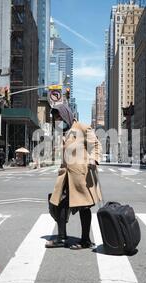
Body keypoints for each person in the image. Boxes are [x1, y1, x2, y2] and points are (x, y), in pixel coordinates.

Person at [46, 102, 102, 250]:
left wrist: (93, 159)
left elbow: (96, 145)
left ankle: (85, 240)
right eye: (55, 119)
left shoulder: (82, 127)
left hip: (81, 175)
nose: (58, 121)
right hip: (65, 175)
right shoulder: (65, 132)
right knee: (59, 205)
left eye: (59, 117)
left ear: (66, 115)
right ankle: (62, 238)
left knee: (84, 208)